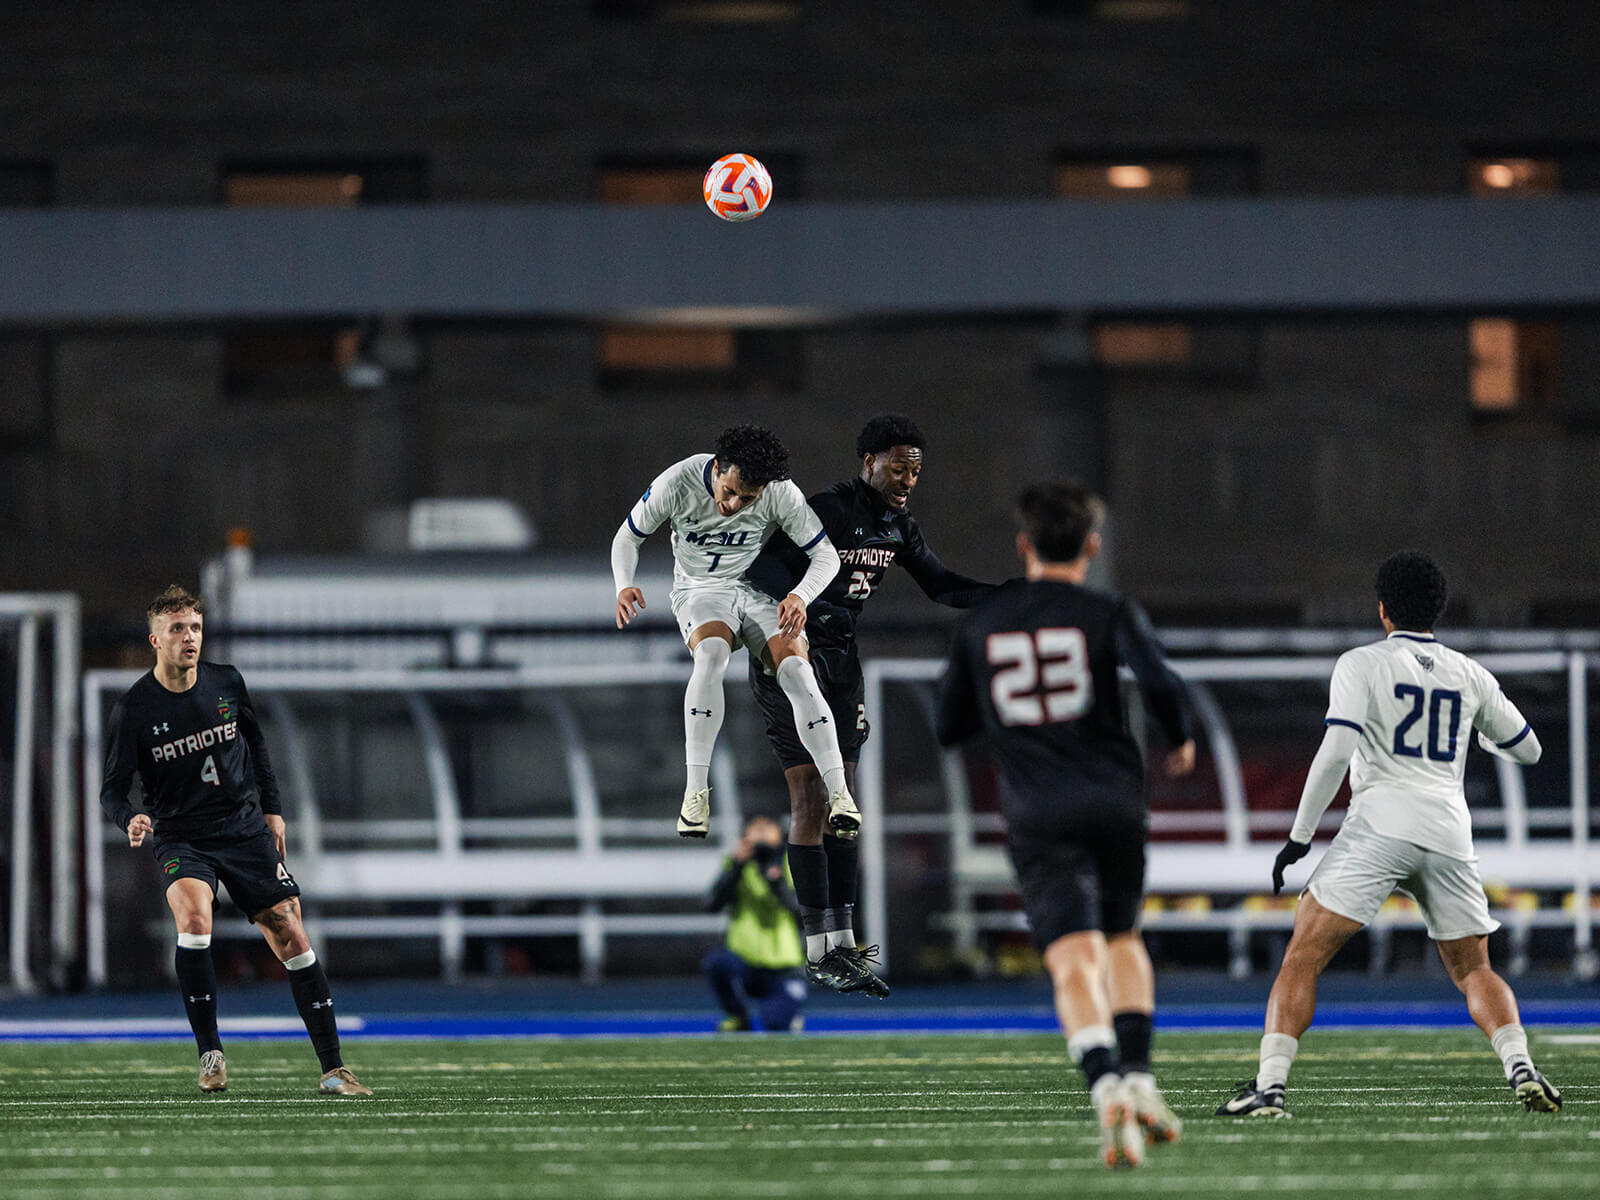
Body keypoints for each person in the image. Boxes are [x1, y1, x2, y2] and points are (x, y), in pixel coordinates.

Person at [1217, 550, 1559, 1119]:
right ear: (1438, 612)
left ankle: (1269, 1088)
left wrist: (1300, 837)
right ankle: (1520, 1065)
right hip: (1448, 832)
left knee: (1302, 956)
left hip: (1379, 826)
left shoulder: (1362, 664)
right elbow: (1529, 749)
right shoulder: (1469, 673)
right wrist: (1483, 739)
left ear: (1382, 609)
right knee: (1475, 969)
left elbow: (1335, 752)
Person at [935, 482, 1195, 1168]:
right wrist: (1180, 736)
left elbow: (948, 724)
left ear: (1023, 545)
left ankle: (1106, 1083)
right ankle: (1141, 1078)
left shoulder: (983, 621)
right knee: (1122, 938)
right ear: (1092, 546)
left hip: (1037, 808)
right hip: (1112, 797)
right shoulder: (1106, 610)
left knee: (1070, 957)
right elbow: (1162, 684)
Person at [745, 414, 992, 997]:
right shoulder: (827, 510)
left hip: (843, 666)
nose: (908, 478)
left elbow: (942, 585)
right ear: (868, 463)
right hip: (791, 661)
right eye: (899, 466)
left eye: (916, 469)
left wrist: (1012, 596)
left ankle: (845, 945)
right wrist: (798, 603)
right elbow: (763, 565)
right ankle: (816, 951)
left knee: (845, 803)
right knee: (809, 798)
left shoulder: (898, 527)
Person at [100, 585, 370, 1096]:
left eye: (196, 628)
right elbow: (112, 790)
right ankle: (211, 1055)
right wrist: (127, 819)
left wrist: (273, 811)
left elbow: (257, 746)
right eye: (177, 628)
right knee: (195, 919)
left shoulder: (227, 682)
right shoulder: (133, 709)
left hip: (243, 829)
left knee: (290, 930)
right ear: (154, 638)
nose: (189, 638)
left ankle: (334, 1068)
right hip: (182, 836)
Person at [612, 424, 861, 842]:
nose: (734, 504)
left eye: (747, 498)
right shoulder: (678, 481)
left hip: (758, 591)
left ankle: (840, 795)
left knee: (799, 672)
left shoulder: (780, 491)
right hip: (700, 592)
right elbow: (627, 536)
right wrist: (624, 584)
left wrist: (800, 596)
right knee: (710, 657)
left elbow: (825, 556)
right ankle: (695, 794)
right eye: (729, 492)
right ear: (717, 468)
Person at [702, 814, 809, 1033]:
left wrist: (774, 878)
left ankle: (787, 1014)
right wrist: (736, 867)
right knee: (717, 963)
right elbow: (712, 904)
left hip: (783, 966)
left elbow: (802, 912)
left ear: (780, 834)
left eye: (767, 828)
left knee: (776, 1024)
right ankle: (737, 1015)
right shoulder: (737, 864)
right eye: (755, 828)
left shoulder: (792, 862)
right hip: (745, 961)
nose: (761, 834)